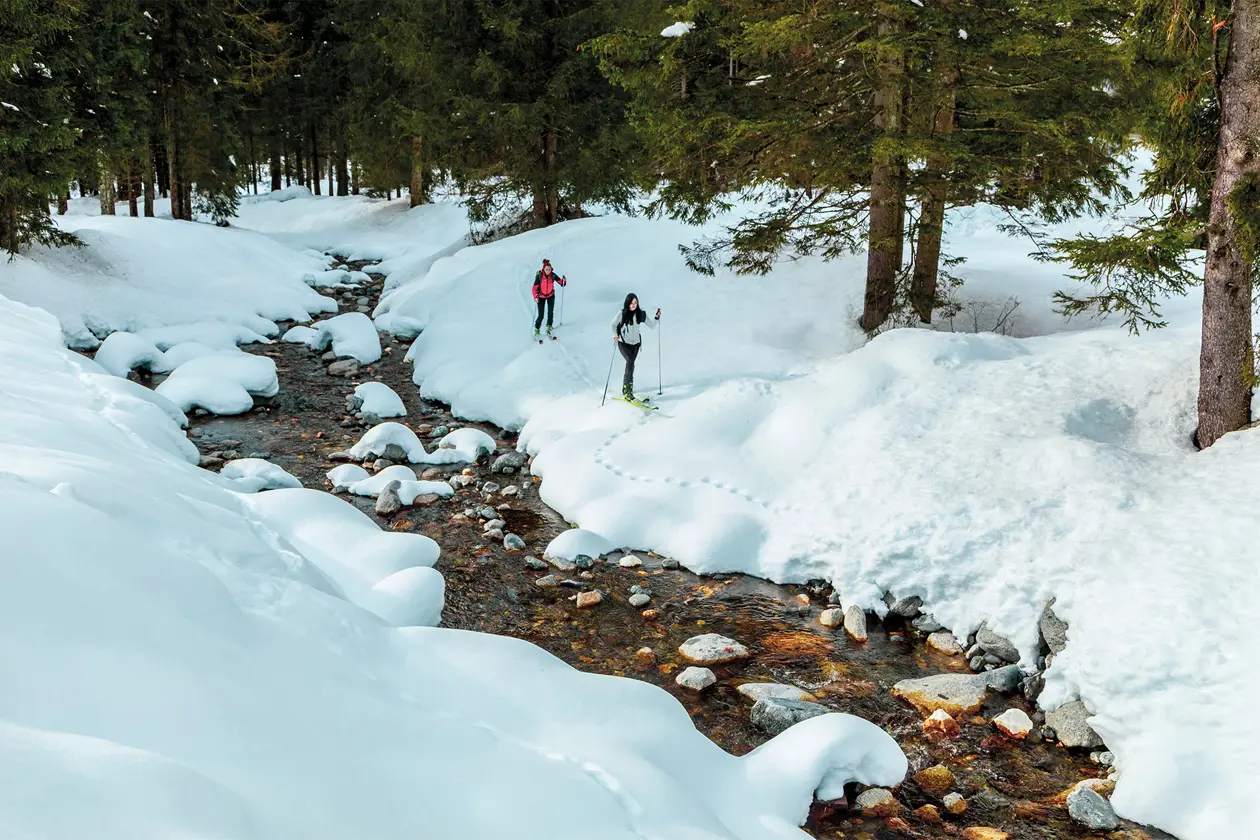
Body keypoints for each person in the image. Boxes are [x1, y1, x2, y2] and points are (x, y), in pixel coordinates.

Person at [612, 293, 660, 401]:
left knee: (631, 363)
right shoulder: (622, 314)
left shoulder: (640, 314)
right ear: (627, 303)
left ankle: (628, 387)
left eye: (635, 303)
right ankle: (627, 388)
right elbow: (613, 325)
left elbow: (651, 325)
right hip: (623, 343)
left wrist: (657, 317)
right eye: (631, 303)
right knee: (629, 361)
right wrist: (615, 335)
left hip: (636, 344)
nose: (633, 305)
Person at [532, 258, 567, 339]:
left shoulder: (553, 275)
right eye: (546, 269)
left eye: (549, 269)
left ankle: (549, 326)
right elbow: (534, 289)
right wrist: (535, 297)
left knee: (550, 312)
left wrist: (564, 281)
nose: (548, 271)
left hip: (550, 296)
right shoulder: (539, 277)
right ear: (543, 269)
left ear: (551, 269)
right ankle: (537, 329)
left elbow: (562, 283)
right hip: (541, 297)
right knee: (541, 315)